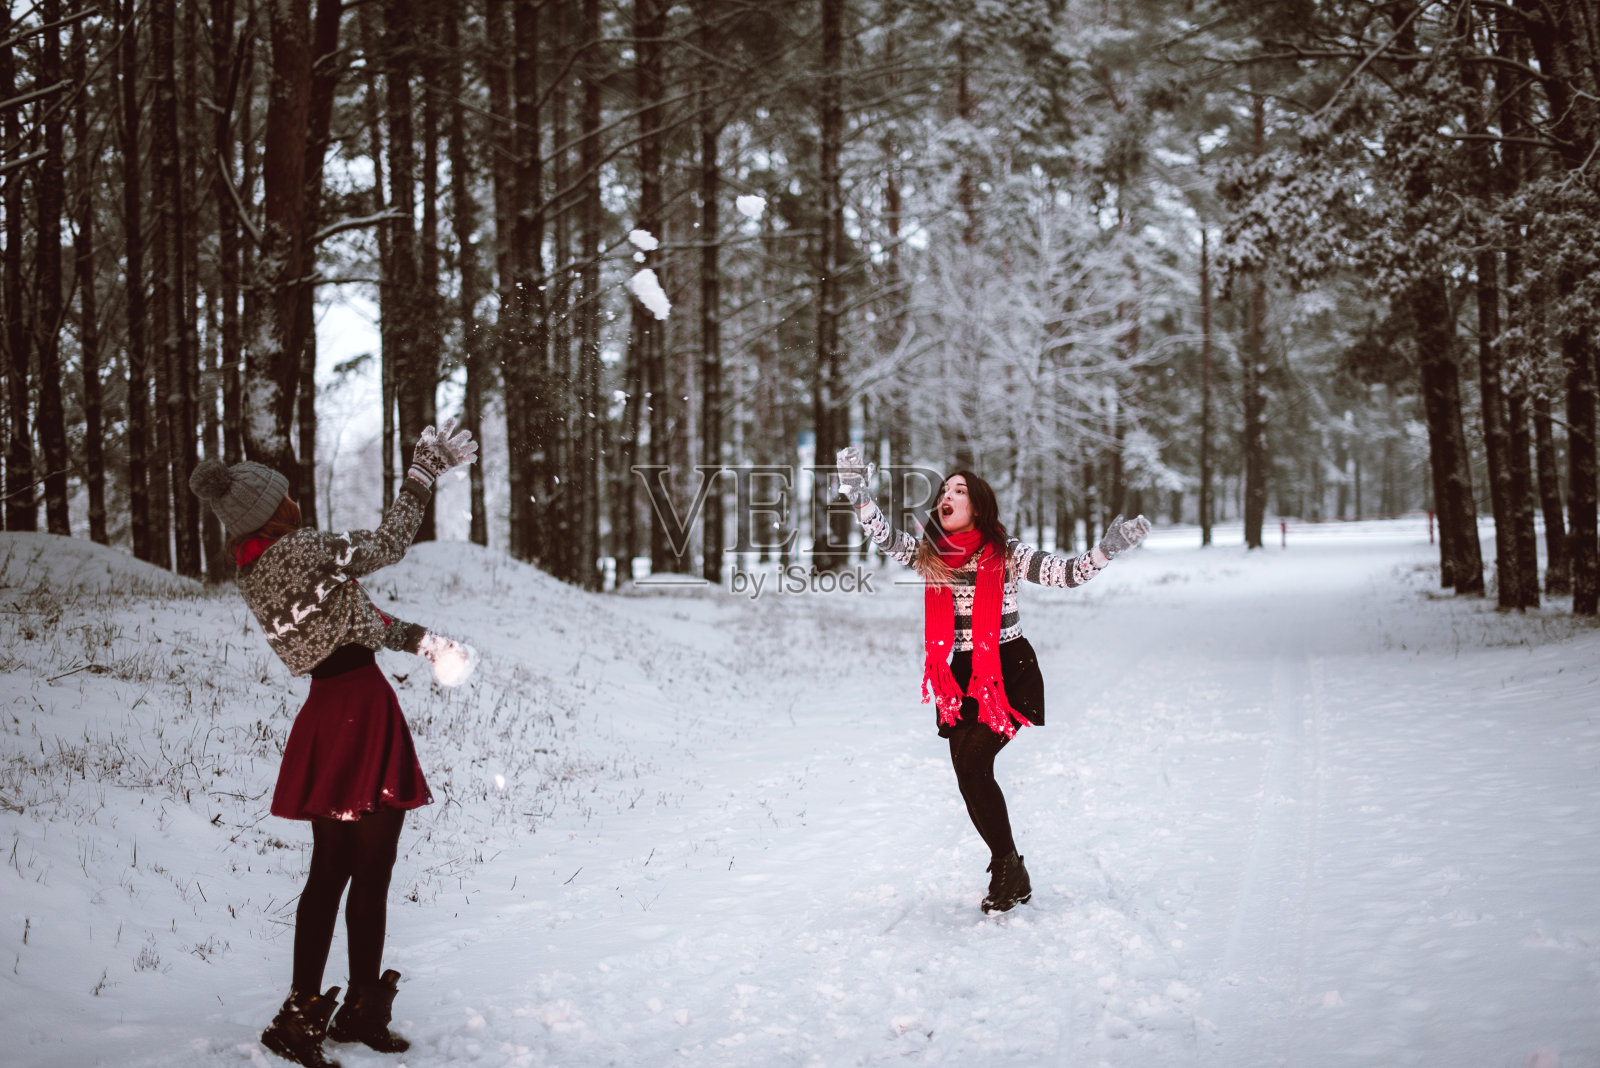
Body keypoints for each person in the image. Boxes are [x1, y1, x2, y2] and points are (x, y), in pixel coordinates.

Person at [189, 419, 479, 1068]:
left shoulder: (262, 570)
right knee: (363, 872)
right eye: (283, 495)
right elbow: (390, 543)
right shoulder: (302, 551)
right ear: (269, 511)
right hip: (358, 712)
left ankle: (331, 1010)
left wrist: (426, 644)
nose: (294, 500)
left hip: (331, 713)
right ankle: (324, 1015)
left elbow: (357, 620)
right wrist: (422, 473)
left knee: (337, 871)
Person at [835, 446, 1150, 913]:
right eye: (944, 490)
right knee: (969, 775)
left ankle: (1008, 867)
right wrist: (859, 495)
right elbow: (885, 538)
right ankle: (1009, 868)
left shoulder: (1007, 552)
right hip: (958, 677)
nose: (947, 495)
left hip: (1006, 671)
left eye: (958, 490)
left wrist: (1106, 550)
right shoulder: (930, 554)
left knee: (974, 765)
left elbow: (1065, 575)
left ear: (977, 505)